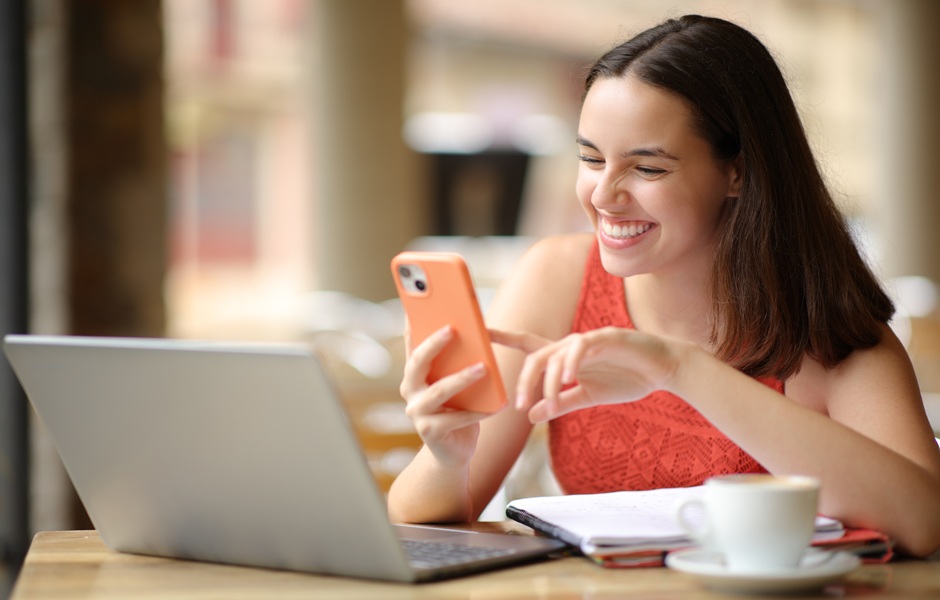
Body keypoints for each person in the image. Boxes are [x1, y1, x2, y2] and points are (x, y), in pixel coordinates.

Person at [386, 14, 940, 557]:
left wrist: (679, 369)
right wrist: (447, 458)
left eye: (647, 169)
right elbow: (423, 533)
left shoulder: (828, 334)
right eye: (590, 158)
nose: (603, 195)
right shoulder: (558, 279)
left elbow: (925, 522)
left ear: (738, 172)